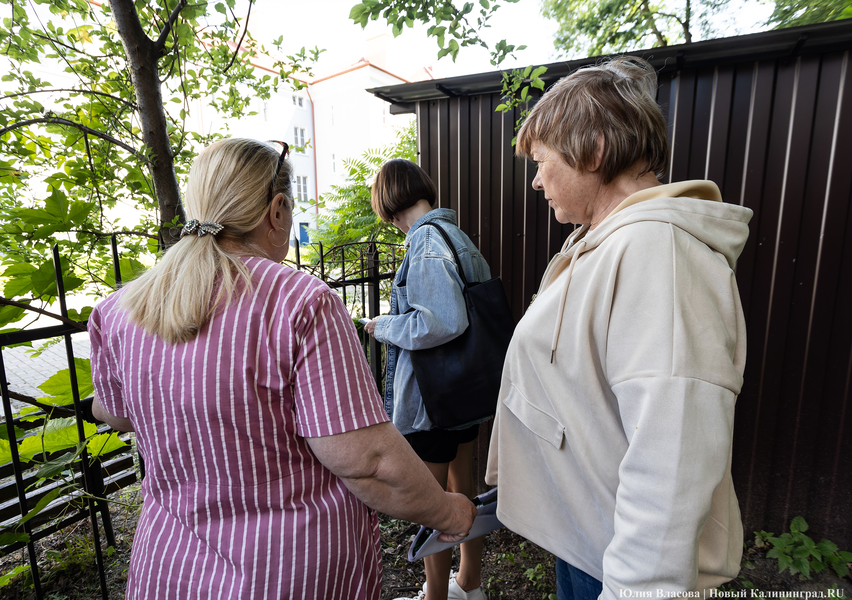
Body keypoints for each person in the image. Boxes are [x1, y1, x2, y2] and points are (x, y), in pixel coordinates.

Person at [88, 138, 476, 600]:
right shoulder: (302, 303)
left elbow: (112, 412)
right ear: (276, 210)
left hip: (170, 569)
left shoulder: (117, 310)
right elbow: (368, 461)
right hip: (291, 571)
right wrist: (448, 512)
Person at [486, 56, 752, 600]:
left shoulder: (659, 252)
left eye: (541, 161)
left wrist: (637, 587)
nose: (535, 181)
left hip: (618, 565)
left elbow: (671, 451)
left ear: (594, 149)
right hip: (587, 535)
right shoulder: (608, 241)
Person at [363, 159, 491, 600]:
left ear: (388, 204)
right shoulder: (456, 236)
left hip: (432, 400)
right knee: (463, 488)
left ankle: (436, 595)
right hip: (464, 391)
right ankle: (469, 583)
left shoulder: (425, 243)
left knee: (434, 504)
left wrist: (382, 325)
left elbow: (441, 321)